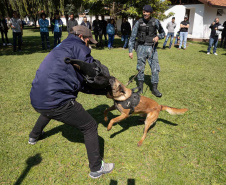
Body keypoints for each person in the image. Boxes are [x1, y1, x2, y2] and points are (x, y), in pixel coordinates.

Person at [28, 25, 114, 178]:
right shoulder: (79, 47)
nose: (88, 45)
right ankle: (96, 168)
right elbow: (93, 74)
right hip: (55, 99)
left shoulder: (63, 45)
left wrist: (103, 93)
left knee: (49, 109)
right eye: (88, 41)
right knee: (90, 126)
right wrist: (106, 85)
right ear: (82, 38)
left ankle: (34, 136)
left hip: (36, 96)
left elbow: (80, 85)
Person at [128, 5, 165, 97]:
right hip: (141, 48)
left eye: (147, 12)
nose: (145, 14)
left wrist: (158, 37)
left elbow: (163, 33)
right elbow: (132, 37)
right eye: (144, 12)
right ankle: (140, 89)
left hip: (152, 48)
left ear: (151, 13)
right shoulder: (138, 22)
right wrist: (130, 51)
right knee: (140, 68)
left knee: (155, 69)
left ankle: (154, 89)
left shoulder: (156, 22)